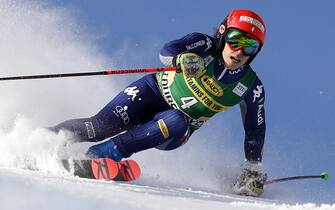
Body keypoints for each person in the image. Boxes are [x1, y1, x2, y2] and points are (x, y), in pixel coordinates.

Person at [50, 9, 267, 196]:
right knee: (100, 126)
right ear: (222, 34)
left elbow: (255, 131)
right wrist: (182, 59)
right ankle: (43, 139)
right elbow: (168, 50)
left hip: (176, 130)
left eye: (249, 47)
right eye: (236, 40)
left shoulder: (250, 86)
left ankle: (100, 156)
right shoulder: (204, 44)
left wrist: (253, 167)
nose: (239, 51)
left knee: (177, 120)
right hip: (152, 91)